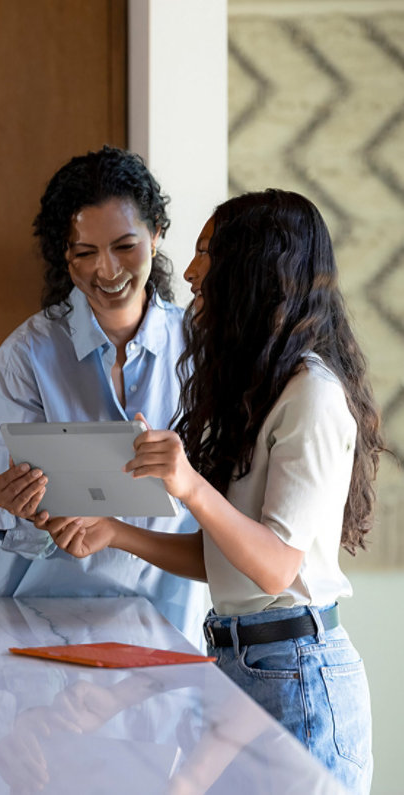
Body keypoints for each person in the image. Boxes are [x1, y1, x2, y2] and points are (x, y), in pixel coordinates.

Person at [43, 189, 383, 792]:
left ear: (257, 267)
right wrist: (115, 533)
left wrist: (188, 484)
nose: (190, 271)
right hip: (242, 662)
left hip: (297, 677)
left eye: (207, 252)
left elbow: (275, 570)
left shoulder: (312, 395)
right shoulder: (262, 389)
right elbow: (228, 562)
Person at [0, 146, 207, 642]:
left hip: (167, 629)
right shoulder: (25, 357)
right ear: (64, 254)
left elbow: (222, 504)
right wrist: (17, 507)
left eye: (125, 246)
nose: (108, 270)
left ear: (156, 234)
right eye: (85, 253)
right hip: (41, 630)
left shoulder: (200, 351)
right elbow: (10, 528)